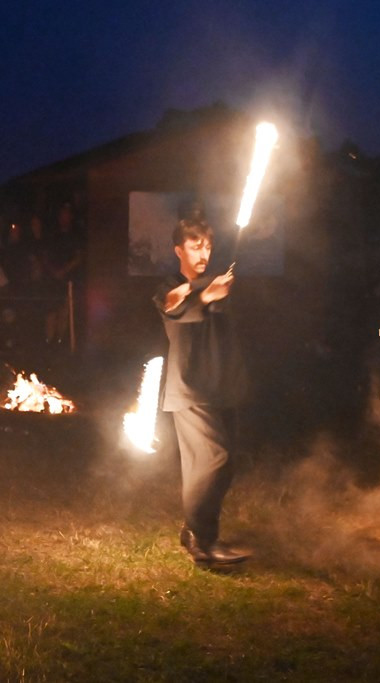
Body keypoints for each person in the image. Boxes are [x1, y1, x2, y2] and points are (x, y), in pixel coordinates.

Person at [154, 217, 250, 567]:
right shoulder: (169, 286)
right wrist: (206, 294)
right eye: (195, 246)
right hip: (190, 388)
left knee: (222, 466)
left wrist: (215, 293)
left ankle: (196, 530)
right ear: (178, 250)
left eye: (207, 246)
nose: (203, 252)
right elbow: (174, 306)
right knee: (213, 459)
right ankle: (202, 540)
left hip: (222, 387)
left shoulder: (222, 286)